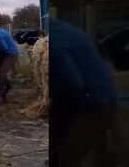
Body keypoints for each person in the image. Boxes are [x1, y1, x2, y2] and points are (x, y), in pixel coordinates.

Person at [49, 19, 117, 167]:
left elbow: (72, 84)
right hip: (98, 93)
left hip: (94, 103)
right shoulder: (62, 30)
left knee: (67, 158)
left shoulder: (53, 45)